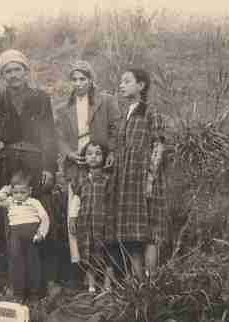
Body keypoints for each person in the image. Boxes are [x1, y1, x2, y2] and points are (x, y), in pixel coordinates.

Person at [0, 49, 58, 280]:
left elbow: (49, 135)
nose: (13, 75)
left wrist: (49, 168)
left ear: (26, 71)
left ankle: (45, 277)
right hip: (7, 166)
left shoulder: (41, 98)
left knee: (40, 214)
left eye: (17, 69)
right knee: (10, 218)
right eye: (8, 71)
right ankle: (15, 277)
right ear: (3, 75)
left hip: (35, 164)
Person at [54, 60, 120, 266]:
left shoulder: (106, 101)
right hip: (76, 163)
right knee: (76, 210)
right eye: (74, 79)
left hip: (99, 160)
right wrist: (69, 154)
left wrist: (111, 151)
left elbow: (115, 129)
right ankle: (81, 263)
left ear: (91, 80)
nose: (78, 83)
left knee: (104, 210)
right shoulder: (64, 108)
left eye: (83, 79)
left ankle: (109, 265)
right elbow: (58, 137)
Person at [112, 68, 168, 279]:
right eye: (121, 81)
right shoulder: (124, 114)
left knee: (150, 234)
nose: (121, 85)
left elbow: (158, 145)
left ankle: (151, 283)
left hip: (144, 179)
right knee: (132, 234)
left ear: (141, 86)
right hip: (126, 181)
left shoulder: (150, 111)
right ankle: (137, 284)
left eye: (127, 81)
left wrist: (150, 178)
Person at [68, 141, 115, 293]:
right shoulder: (81, 180)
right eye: (89, 154)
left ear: (104, 157)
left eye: (98, 153)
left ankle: (108, 284)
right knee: (89, 254)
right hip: (86, 223)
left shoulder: (108, 179)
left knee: (107, 252)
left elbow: (112, 201)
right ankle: (91, 285)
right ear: (84, 158)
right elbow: (76, 200)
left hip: (104, 223)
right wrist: (73, 218)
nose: (93, 157)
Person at [0, 170, 50, 302]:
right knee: (17, 262)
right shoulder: (10, 202)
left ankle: (34, 293)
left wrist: (41, 233)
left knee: (33, 263)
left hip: (32, 236)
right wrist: (8, 188)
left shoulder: (34, 202)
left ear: (30, 191)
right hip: (16, 235)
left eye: (23, 192)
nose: (19, 196)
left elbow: (45, 218)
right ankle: (19, 293)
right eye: (15, 192)